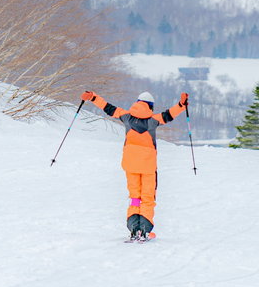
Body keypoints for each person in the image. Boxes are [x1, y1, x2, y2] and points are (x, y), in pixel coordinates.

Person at [80, 89, 189, 241]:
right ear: (150, 106)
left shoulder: (126, 117)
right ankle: (144, 230)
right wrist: (182, 104)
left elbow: (108, 108)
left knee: (135, 198)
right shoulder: (154, 120)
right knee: (147, 197)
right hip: (148, 166)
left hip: (130, 164)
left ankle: (133, 230)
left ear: (137, 103)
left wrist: (93, 97)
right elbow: (169, 114)